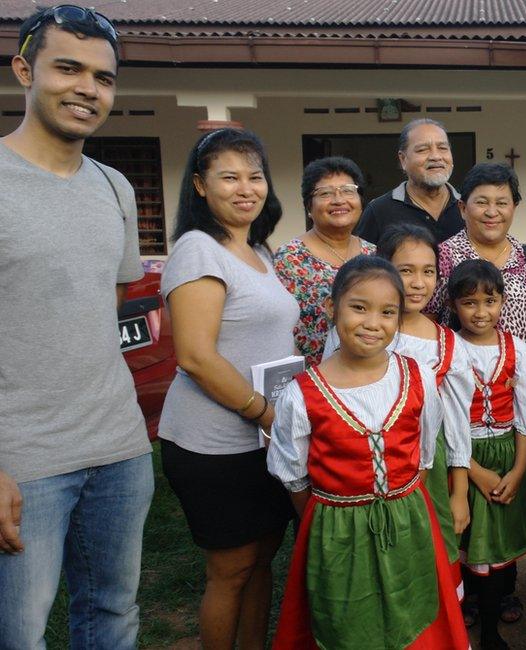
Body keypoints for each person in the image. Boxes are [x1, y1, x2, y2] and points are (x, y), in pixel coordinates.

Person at [0, 8, 155, 648]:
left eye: (103, 77)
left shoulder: (115, 187)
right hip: (22, 458)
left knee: (113, 617)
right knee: (21, 635)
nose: (88, 89)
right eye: (68, 68)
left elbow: (106, 305)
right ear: (23, 70)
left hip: (120, 448)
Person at [267, 255, 469, 649]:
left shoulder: (418, 377)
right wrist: (333, 515)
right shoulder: (302, 394)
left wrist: (399, 501)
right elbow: (293, 476)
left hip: (408, 521)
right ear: (332, 308)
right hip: (338, 532)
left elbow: (424, 454)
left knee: (413, 610)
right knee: (347, 621)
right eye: (359, 307)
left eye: (387, 312)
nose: (373, 322)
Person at [158, 128, 299, 649]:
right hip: (213, 442)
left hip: (264, 440)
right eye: (229, 177)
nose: (246, 188)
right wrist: (263, 411)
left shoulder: (258, 248)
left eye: (255, 176)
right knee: (231, 570)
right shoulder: (198, 250)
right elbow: (195, 355)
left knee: (261, 559)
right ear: (199, 185)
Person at [321, 223, 474, 593]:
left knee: (427, 552)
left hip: (427, 470)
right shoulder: (353, 334)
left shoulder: (447, 345)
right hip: (357, 468)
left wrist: (458, 492)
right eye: (406, 270)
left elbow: (455, 426)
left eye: (428, 271)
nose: (419, 282)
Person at [449, 259, 526, 650]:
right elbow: (445, 420)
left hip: (506, 451)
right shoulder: (449, 348)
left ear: (503, 302)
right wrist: (471, 469)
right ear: (455, 305)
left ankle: (492, 614)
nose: (480, 311)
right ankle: (476, 609)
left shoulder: (517, 348)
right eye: (469, 302)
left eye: (489, 301)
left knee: (499, 537)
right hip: (464, 455)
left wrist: (521, 467)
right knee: (470, 536)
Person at [427, 162, 526, 417]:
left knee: (517, 457)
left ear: (514, 208)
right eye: (481, 202)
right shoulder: (442, 258)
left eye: (502, 203)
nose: (492, 212)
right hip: (458, 393)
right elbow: (427, 322)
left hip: (518, 391)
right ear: (462, 208)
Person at [274, 156, 376, 366]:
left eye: (348, 190)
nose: (339, 200)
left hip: (366, 373)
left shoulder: (375, 255)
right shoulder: (288, 259)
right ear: (309, 208)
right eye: (326, 193)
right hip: (307, 378)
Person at [354, 118, 464, 244]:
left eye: (442, 148)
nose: (436, 156)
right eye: (423, 149)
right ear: (403, 159)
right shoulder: (379, 211)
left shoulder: (468, 207)